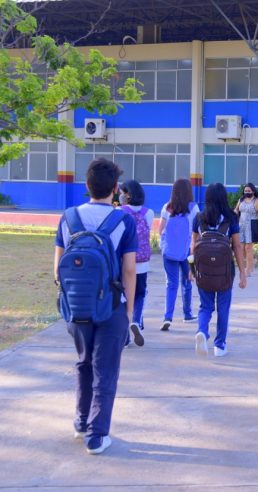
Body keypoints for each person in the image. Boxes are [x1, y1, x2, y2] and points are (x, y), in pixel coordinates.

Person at [54, 157, 137, 455]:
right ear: (115, 189)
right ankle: (97, 435)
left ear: (87, 185)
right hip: (112, 305)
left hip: (77, 306)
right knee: (106, 369)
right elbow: (129, 270)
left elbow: (57, 268)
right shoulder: (123, 220)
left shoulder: (68, 217)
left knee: (84, 362)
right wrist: (128, 312)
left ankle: (80, 423)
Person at [190, 183, 247, 357]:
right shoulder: (231, 218)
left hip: (203, 270)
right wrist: (243, 273)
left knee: (205, 306)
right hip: (225, 272)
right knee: (223, 308)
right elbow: (237, 246)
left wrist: (191, 269)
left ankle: (202, 331)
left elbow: (193, 246)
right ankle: (220, 345)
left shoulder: (199, 218)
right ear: (223, 198)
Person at [158, 178, 199, 331]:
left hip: (168, 252)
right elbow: (196, 232)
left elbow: (161, 230)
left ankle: (167, 317)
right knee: (187, 283)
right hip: (187, 251)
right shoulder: (193, 208)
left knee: (171, 284)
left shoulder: (167, 207)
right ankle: (187, 314)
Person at [118, 179, 153, 347]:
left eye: (123, 192)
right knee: (140, 294)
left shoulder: (119, 212)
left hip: (124, 261)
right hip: (143, 262)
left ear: (128, 195)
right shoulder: (149, 213)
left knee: (123, 297)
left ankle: (124, 336)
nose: (121, 195)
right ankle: (136, 321)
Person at [233, 183, 258, 277]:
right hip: (241, 225)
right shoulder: (241, 200)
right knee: (241, 248)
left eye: (249, 191)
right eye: (245, 190)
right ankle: (244, 267)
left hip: (251, 225)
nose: (247, 192)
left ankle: (249, 269)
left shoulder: (257, 201)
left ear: (253, 191)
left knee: (248, 247)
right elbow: (236, 211)